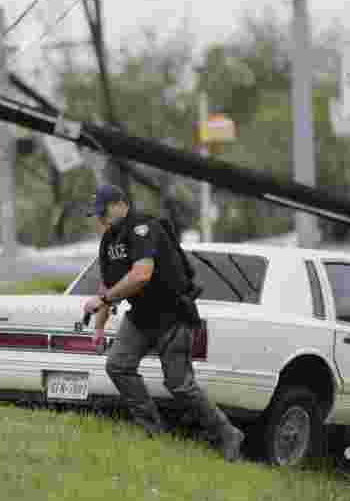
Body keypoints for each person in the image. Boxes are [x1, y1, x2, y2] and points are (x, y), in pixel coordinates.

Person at [81, 184, 245, 462]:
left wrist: (105, 298)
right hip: (142, 316)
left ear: (121, 204)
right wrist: (98, 328)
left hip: (172, 314)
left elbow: (141, 275)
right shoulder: (109, 241)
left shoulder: (143, 228)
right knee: (118, 365)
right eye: (97, 215)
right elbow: (105, 288)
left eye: (104, 212)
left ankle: (227, 433)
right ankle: (152, 431)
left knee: (180, 385)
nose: (101, 220)